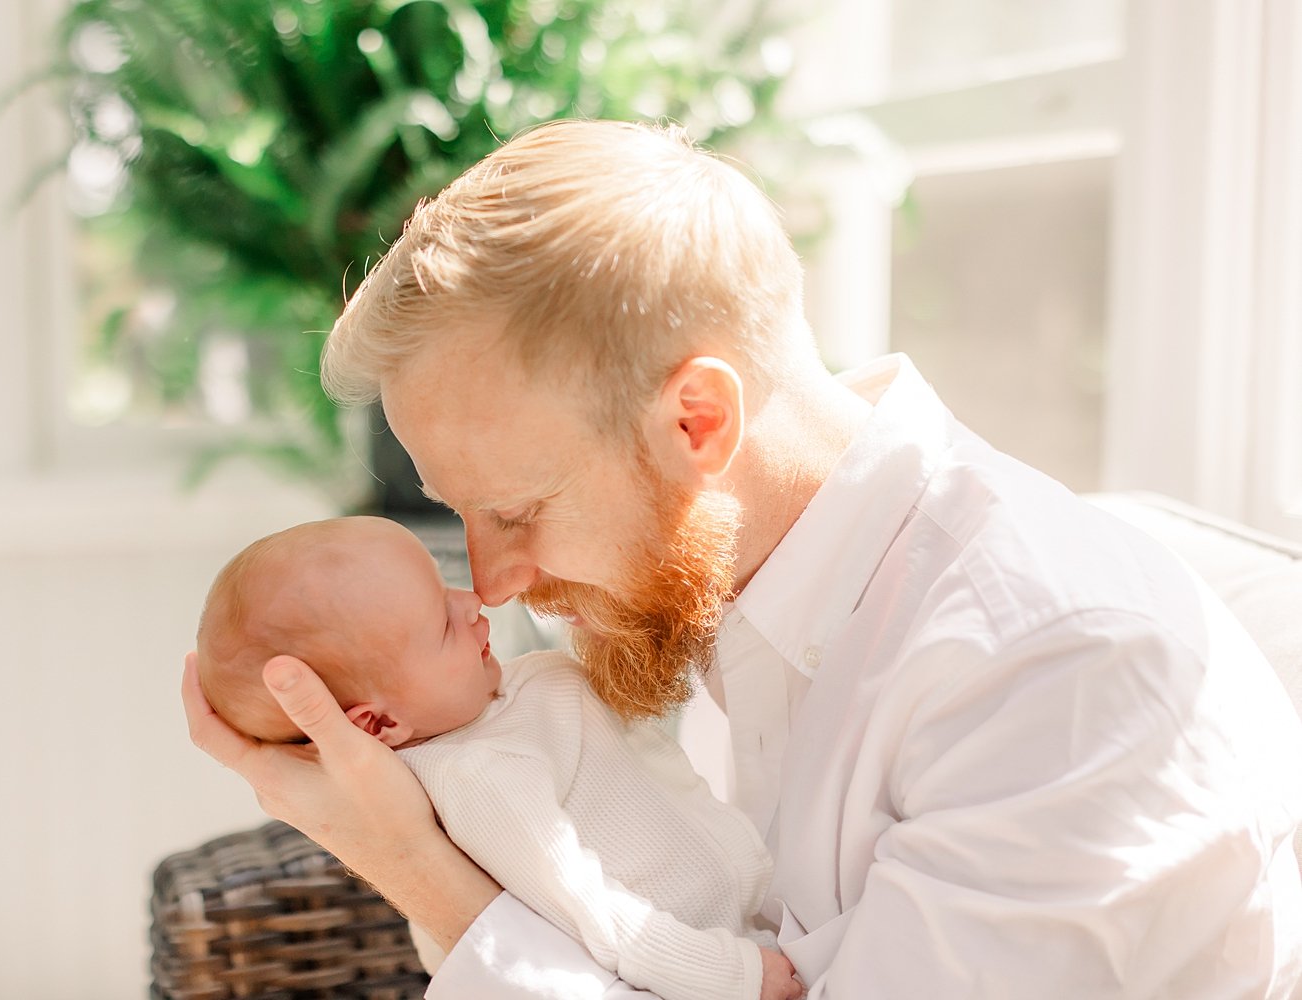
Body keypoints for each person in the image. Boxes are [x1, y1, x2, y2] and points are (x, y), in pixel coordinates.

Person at [182, 119, 1302, 998]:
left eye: (518, 509)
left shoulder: (1051, 676)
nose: (496, 580)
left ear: (700, 422)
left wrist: (415, 865)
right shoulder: (741, 589)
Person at [193, 516, 801, 1000]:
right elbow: (594, 915)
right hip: (697, 965)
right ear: (378, 724)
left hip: (756, 917)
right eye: (441, 624)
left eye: (442, 581)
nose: (472, 601)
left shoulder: (496, 698)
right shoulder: (478, 777)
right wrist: (731, 979)